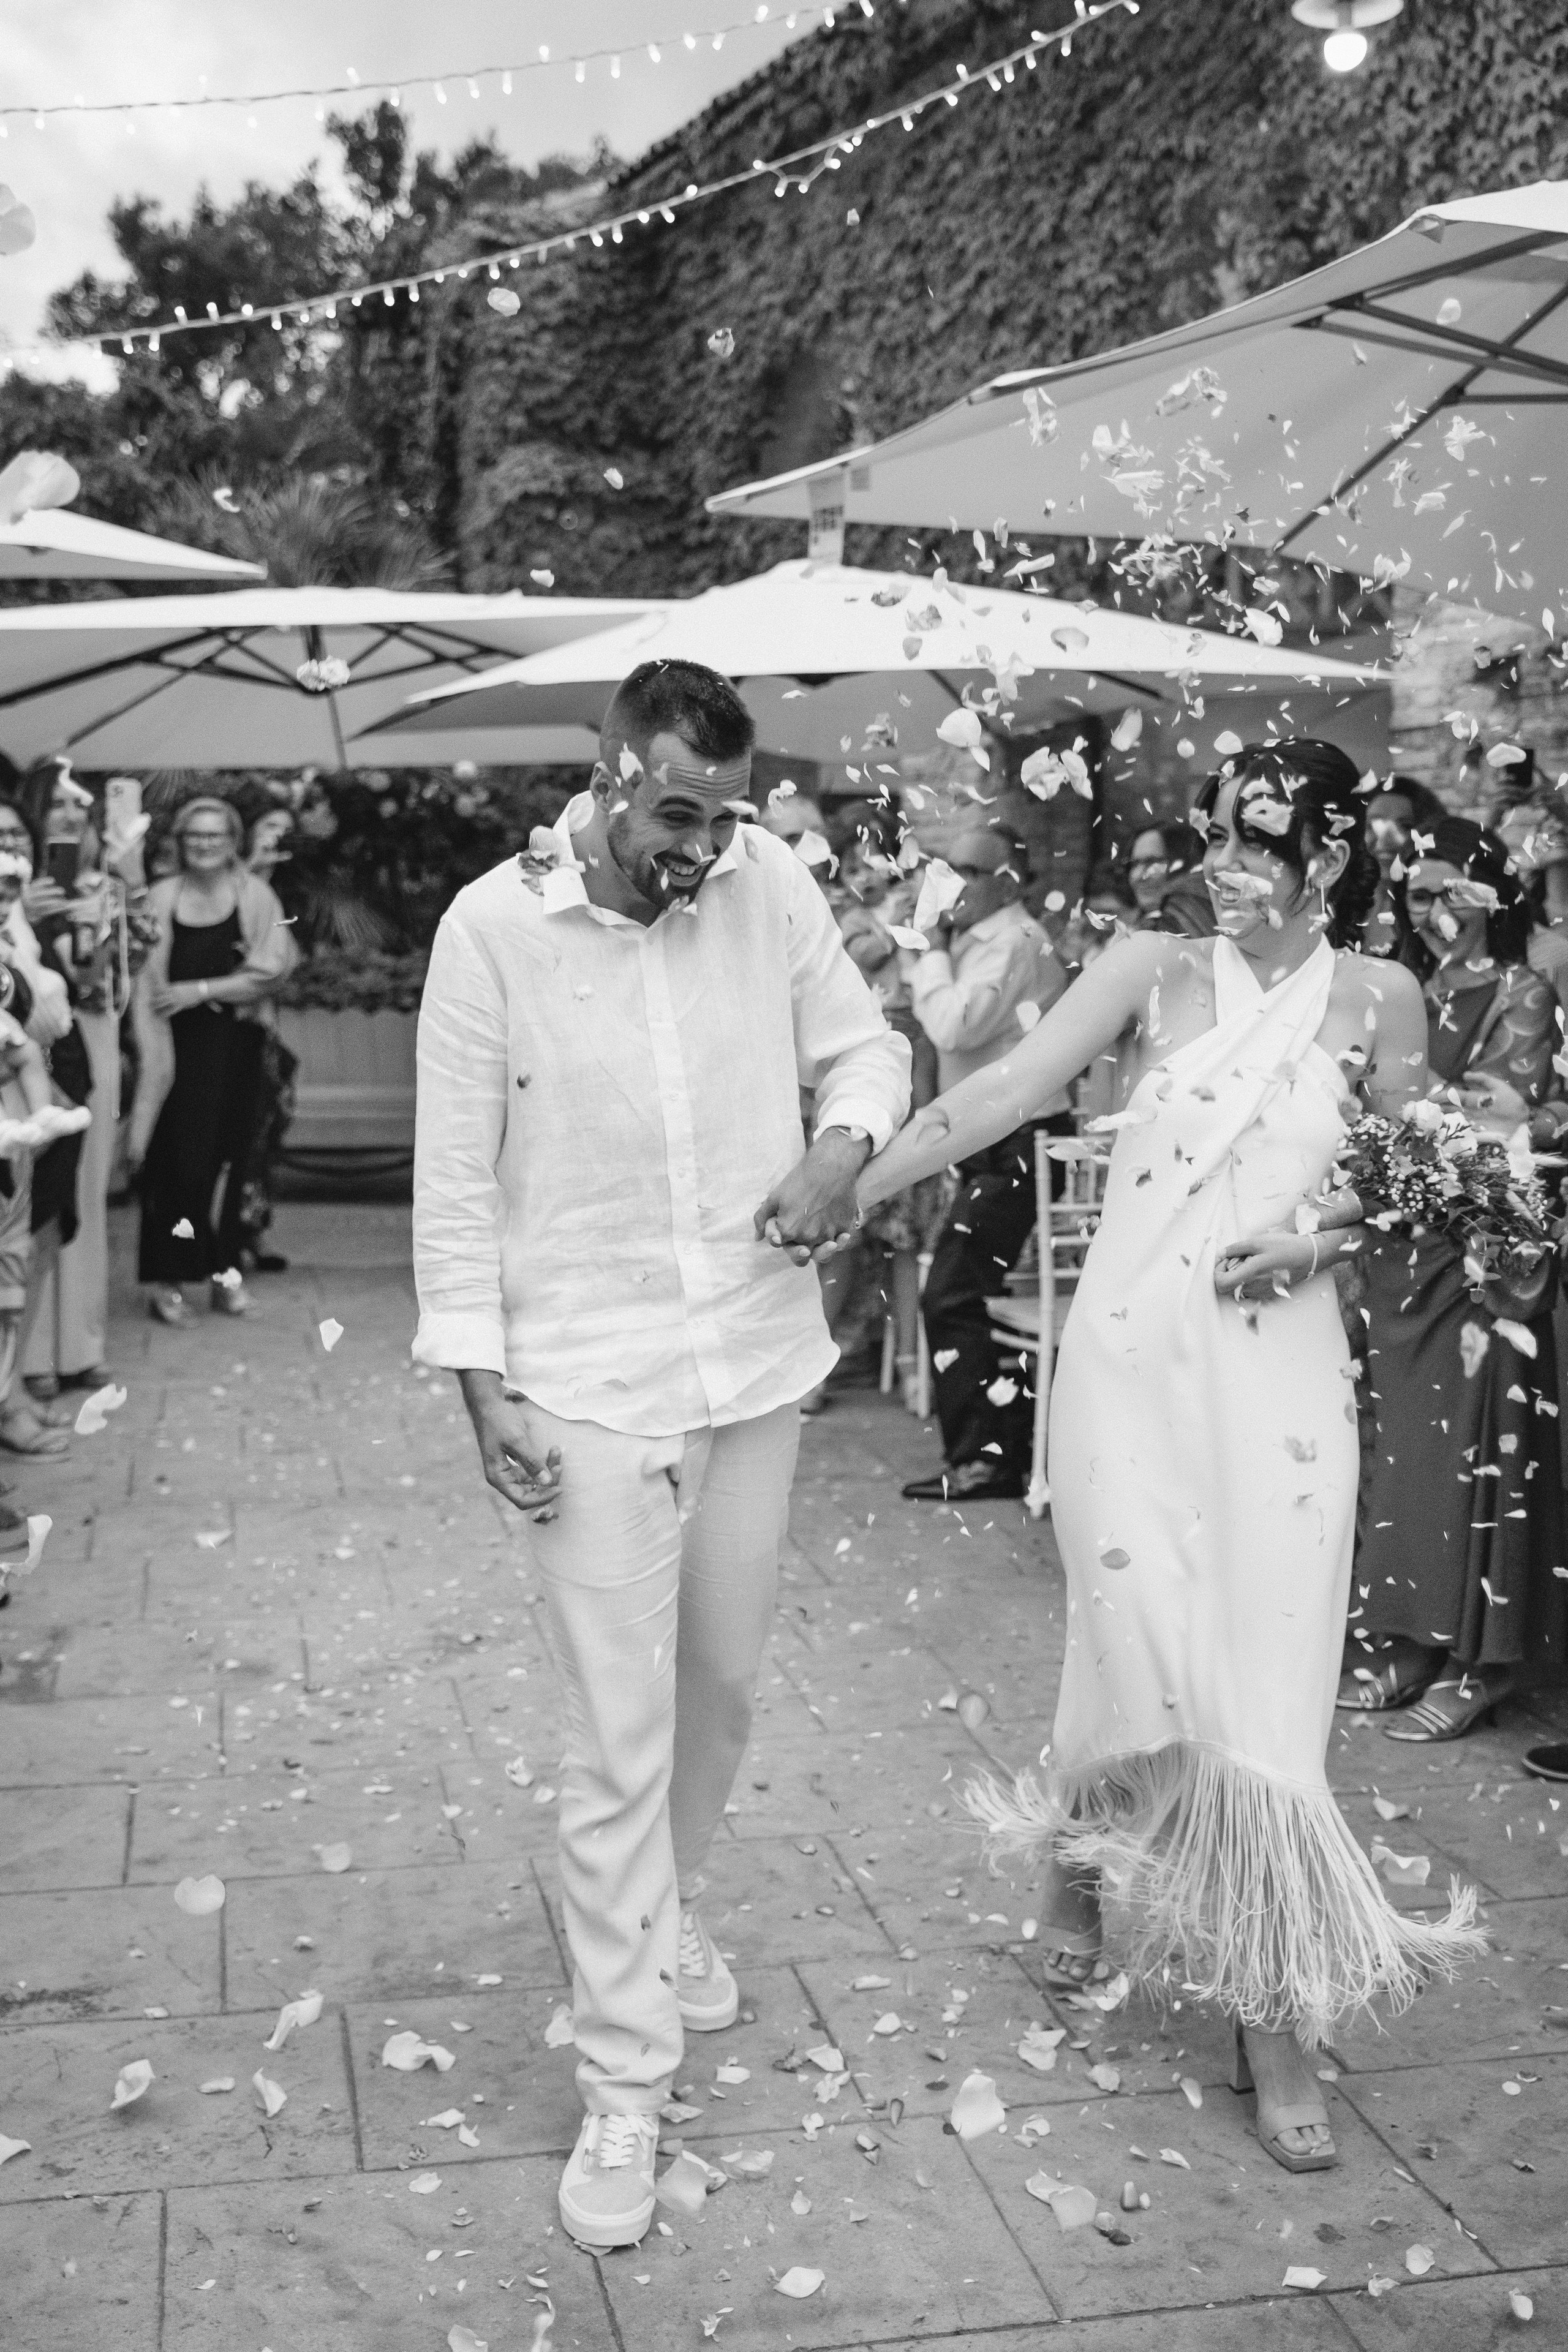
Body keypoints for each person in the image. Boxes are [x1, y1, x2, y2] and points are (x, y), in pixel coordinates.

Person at [857, 739, 1484, 2174]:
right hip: (1127, 1368)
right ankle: (1083, 1878)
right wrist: (849, 1178)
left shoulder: (1380, 997)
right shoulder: (1147, 965)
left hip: (1278, 1383)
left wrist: (1320, 1236)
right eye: (1213, 829)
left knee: (1260, 1681)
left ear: (1330, 852)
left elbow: (1413, 1186)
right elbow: (1006, 1085)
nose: (1223, 858)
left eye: (1259, 838)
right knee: (1131, 1645)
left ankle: (1267, 2003)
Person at [413, 658, 909, 2250]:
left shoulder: (764, 884)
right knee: (620, 1733)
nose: (705, 843)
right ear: (609, 772)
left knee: (726, 1687)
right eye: (678, 810)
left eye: (727, 809)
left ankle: (653, 1911)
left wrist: (841, 1154)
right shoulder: (492, 927)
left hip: (755, 1357)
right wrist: (477, 1385)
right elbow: (451, 1184)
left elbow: (868, 1049)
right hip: (581, 1381)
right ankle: (626, 2083)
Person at [1344, 818, 1568, 1739]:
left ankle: (1481, 1660)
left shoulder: (1521, 989)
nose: (1434, 911)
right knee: (1406, 1460)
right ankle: (1406, 1639)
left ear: (1494, 898)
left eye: (1454, 893)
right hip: (1396, 1244)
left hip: (1477, 1246)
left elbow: (1493, 1114)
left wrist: (1395, 1105)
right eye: (1420, 893)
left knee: (1480, 1451)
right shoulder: (1407, 986)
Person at [898, 816, 1070, 1502]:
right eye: (949, 867)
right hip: (986, 1139)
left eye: (969, 871)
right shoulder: (976, 938)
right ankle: (1001, 1444)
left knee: (952, 1293)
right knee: (963, 1292)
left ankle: (988, 1459)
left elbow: (955, 1024)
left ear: (1007, 881)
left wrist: (931, 953)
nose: (952, 883)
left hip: (1017, 1141)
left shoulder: (1016, 940)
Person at [129, 798, 296, 1326]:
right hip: (172, 1053)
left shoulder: (256, 896)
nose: (204, 845)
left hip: (236, 1049)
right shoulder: (160, 897)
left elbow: (271, 970)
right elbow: (140, 972)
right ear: (180, 843)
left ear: (233, 842)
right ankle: (170, 1279)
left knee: (233, 1163)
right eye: (194, 836)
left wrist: (198, 990)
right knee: (176, 1168)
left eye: (215, 836)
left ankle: (226, 1273)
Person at [1359, 774, 1446, 963]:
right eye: (1374, 826)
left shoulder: (1441, 912)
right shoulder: (1335, 903)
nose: (1385, 839)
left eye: (1405, 826)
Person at [1125, 820, 1215, 937]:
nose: (1139, 876)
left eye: (1152, 862)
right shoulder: (1141, 926)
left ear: (1184, 864)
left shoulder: (1189, 913)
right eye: (1134, 864)